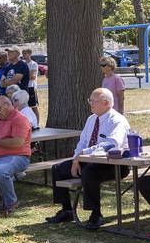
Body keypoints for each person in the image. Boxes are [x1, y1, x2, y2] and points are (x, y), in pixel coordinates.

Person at [46, 88, 130, 229]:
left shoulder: (117, 121)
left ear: (106, 103)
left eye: (93, 101)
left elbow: (112, 143)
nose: (90, 103)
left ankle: (96, 214)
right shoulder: (91, 119)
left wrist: (83, 153)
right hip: (89, 160)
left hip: (114, 164)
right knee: (58, 169)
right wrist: (75, 159)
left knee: (89, 173)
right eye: (89, 100)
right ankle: (67, 210)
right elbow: (82, 142)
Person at [21, 48, 41, 123]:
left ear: (29, 54)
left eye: (25, 53)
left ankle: (37, 123)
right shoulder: (22, 64)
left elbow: (32, 76)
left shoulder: (33, 64)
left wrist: (21, 76)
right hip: (23, 87)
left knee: (33, 107)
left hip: (31, 87)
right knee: (25, 107)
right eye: (23, 54)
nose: (24, 55)